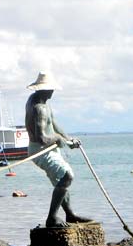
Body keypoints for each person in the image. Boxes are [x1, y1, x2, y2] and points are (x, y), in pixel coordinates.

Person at [25, 71, 92, 228]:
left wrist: (68, 139)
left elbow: (53, 124)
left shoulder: (43, 103)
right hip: (40, 149)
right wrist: (61, 140)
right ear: (44, 89)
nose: (53, 92)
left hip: (49, 148)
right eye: (51, 89)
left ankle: (70, 215)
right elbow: (42, 137)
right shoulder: (38, 108)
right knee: (67, 176)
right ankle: (52, 218)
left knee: (61, 181)